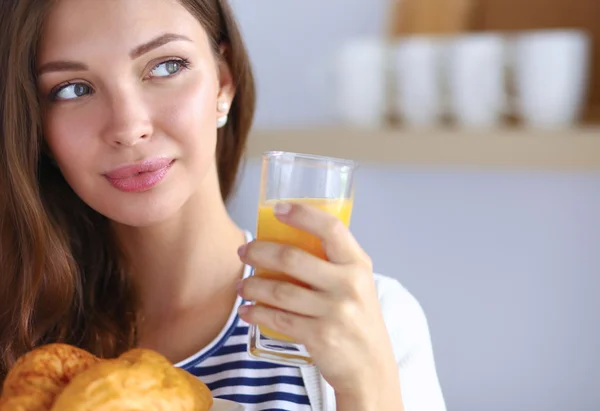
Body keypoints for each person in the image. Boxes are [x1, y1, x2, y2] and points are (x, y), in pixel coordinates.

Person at [0, 0, 447, 410]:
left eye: (165, 65)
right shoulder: (18, 326)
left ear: (224, 83)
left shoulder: (368, 319)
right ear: (36, 126)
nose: (128, 126)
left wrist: (367, 389)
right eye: (73, 89)